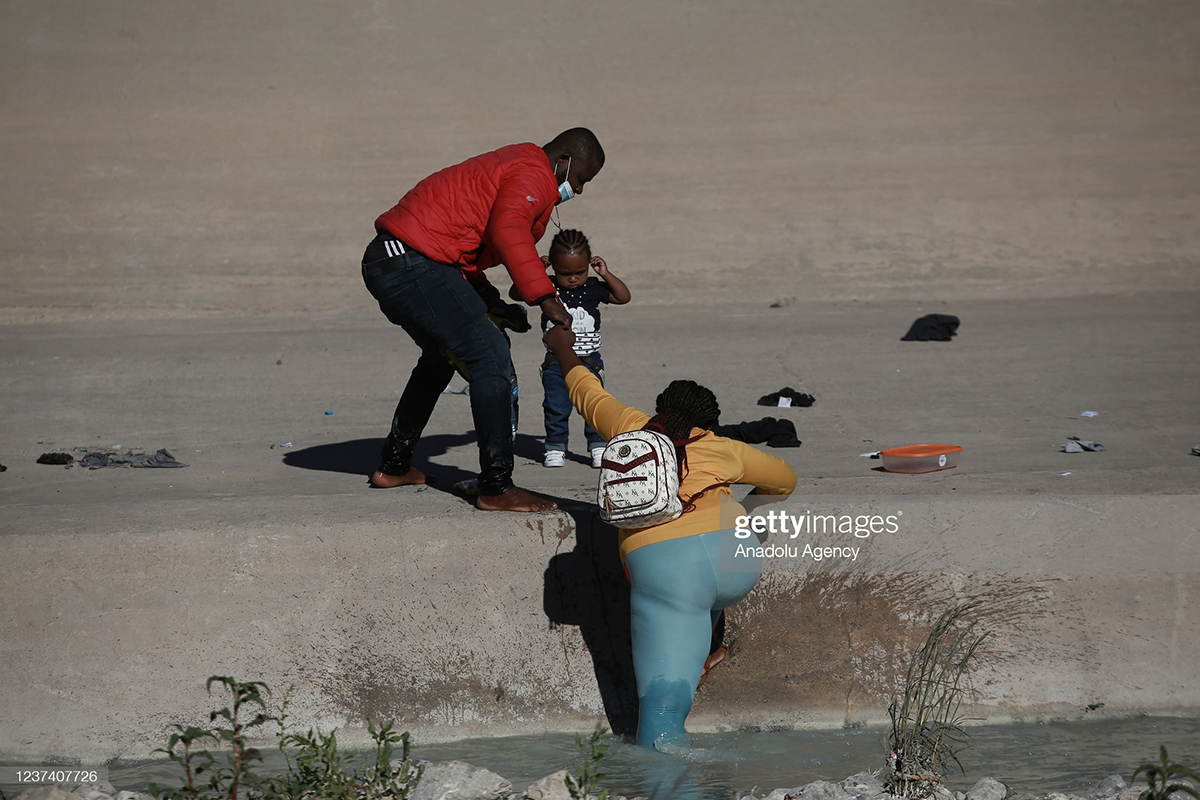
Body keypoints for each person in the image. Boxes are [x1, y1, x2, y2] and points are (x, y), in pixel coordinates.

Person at [542, 325, 798, 749]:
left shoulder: (630, 427)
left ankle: (662, 774)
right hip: (737, 559)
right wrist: (744, 508)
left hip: (670, 573)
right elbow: (785, 480)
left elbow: (586, 392)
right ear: (709, 423)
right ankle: (702, 655)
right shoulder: (724, 447)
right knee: (701, 603)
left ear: (661, 411)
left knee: (660, 716)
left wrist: (563, 349)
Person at [361, 128, 604, 512]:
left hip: (391, 260)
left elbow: (458, 251)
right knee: (490, 357)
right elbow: (508, 230)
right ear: (563, 161)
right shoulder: (534, 173)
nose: (579, 189)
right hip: (409, 261)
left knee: (441, 356)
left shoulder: (515, 165)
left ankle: (394, 465)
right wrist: (548, 300)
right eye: (580, 179)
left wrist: (491, 300)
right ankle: (497, 486)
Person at [510, 229, 631, 469]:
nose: (573, 278)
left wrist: (605, 274)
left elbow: (623, 297)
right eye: (565, 273)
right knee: (556, 406)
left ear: (589, 265)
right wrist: (535, 272)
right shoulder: (546, 286)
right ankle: (555, 447)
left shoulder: (594, 287)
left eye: (580, 272)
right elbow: (516, 293)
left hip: (589, 361)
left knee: (593, 404)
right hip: (555, 362)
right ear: (554, 267)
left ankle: (597, 445)